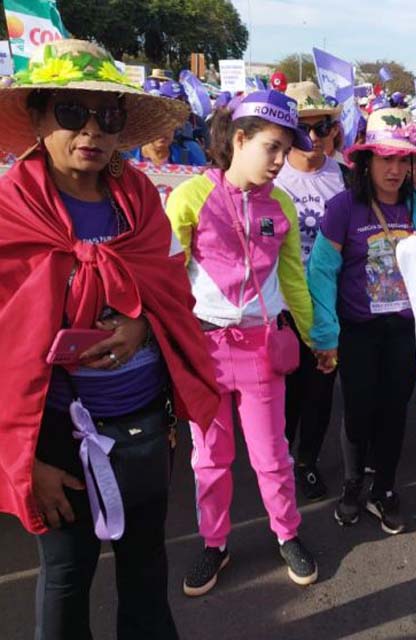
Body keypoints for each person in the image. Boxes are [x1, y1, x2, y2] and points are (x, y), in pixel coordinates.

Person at [0, 39, 220, 639]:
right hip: (54, 439)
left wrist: (143, 324)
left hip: (145, 425)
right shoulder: (8, 210)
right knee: (67, 574)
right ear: (40, 118)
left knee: (147, 566)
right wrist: (31, 459)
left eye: (110, 117)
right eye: (73, 113)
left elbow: (172, 292)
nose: (92, 131)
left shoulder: (140, 199)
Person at [166, 89, 324, 596]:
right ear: (239, 138)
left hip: (262, 346)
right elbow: (168, 282)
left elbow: (294, 278)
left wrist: (320, 336)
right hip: (204, 348)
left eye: (286, 150)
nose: (281, 161)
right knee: (209, 457)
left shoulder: (281, 204)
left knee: (272, 455)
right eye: (272, 148)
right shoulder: (189, 197)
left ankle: (287, 533)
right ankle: (214, 543)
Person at [308, 108, 416, 536]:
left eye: (403, 160)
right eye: (386, 159)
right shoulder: (343, 207)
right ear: (365, 162)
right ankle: (352, 485)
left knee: (394, 411)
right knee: (359, 410)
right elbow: (321, 271)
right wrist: (327, 333)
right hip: (358, 331)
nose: (395, 169)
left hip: (405, 331)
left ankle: (383, 488)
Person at [275, 80, 349, 501]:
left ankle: (306, 463)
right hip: (282, 307)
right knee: (284, 393)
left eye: (324, 126)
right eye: (306, 128)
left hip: (328, 308)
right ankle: (279, 463)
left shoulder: (346, 179)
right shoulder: (272, 176)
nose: (317, 136)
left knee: (320, 391)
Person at [128, 79, 207, 166]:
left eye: (168, 126)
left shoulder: (191, 150)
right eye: (157, 126)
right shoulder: (127, 155)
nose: (163, 133)